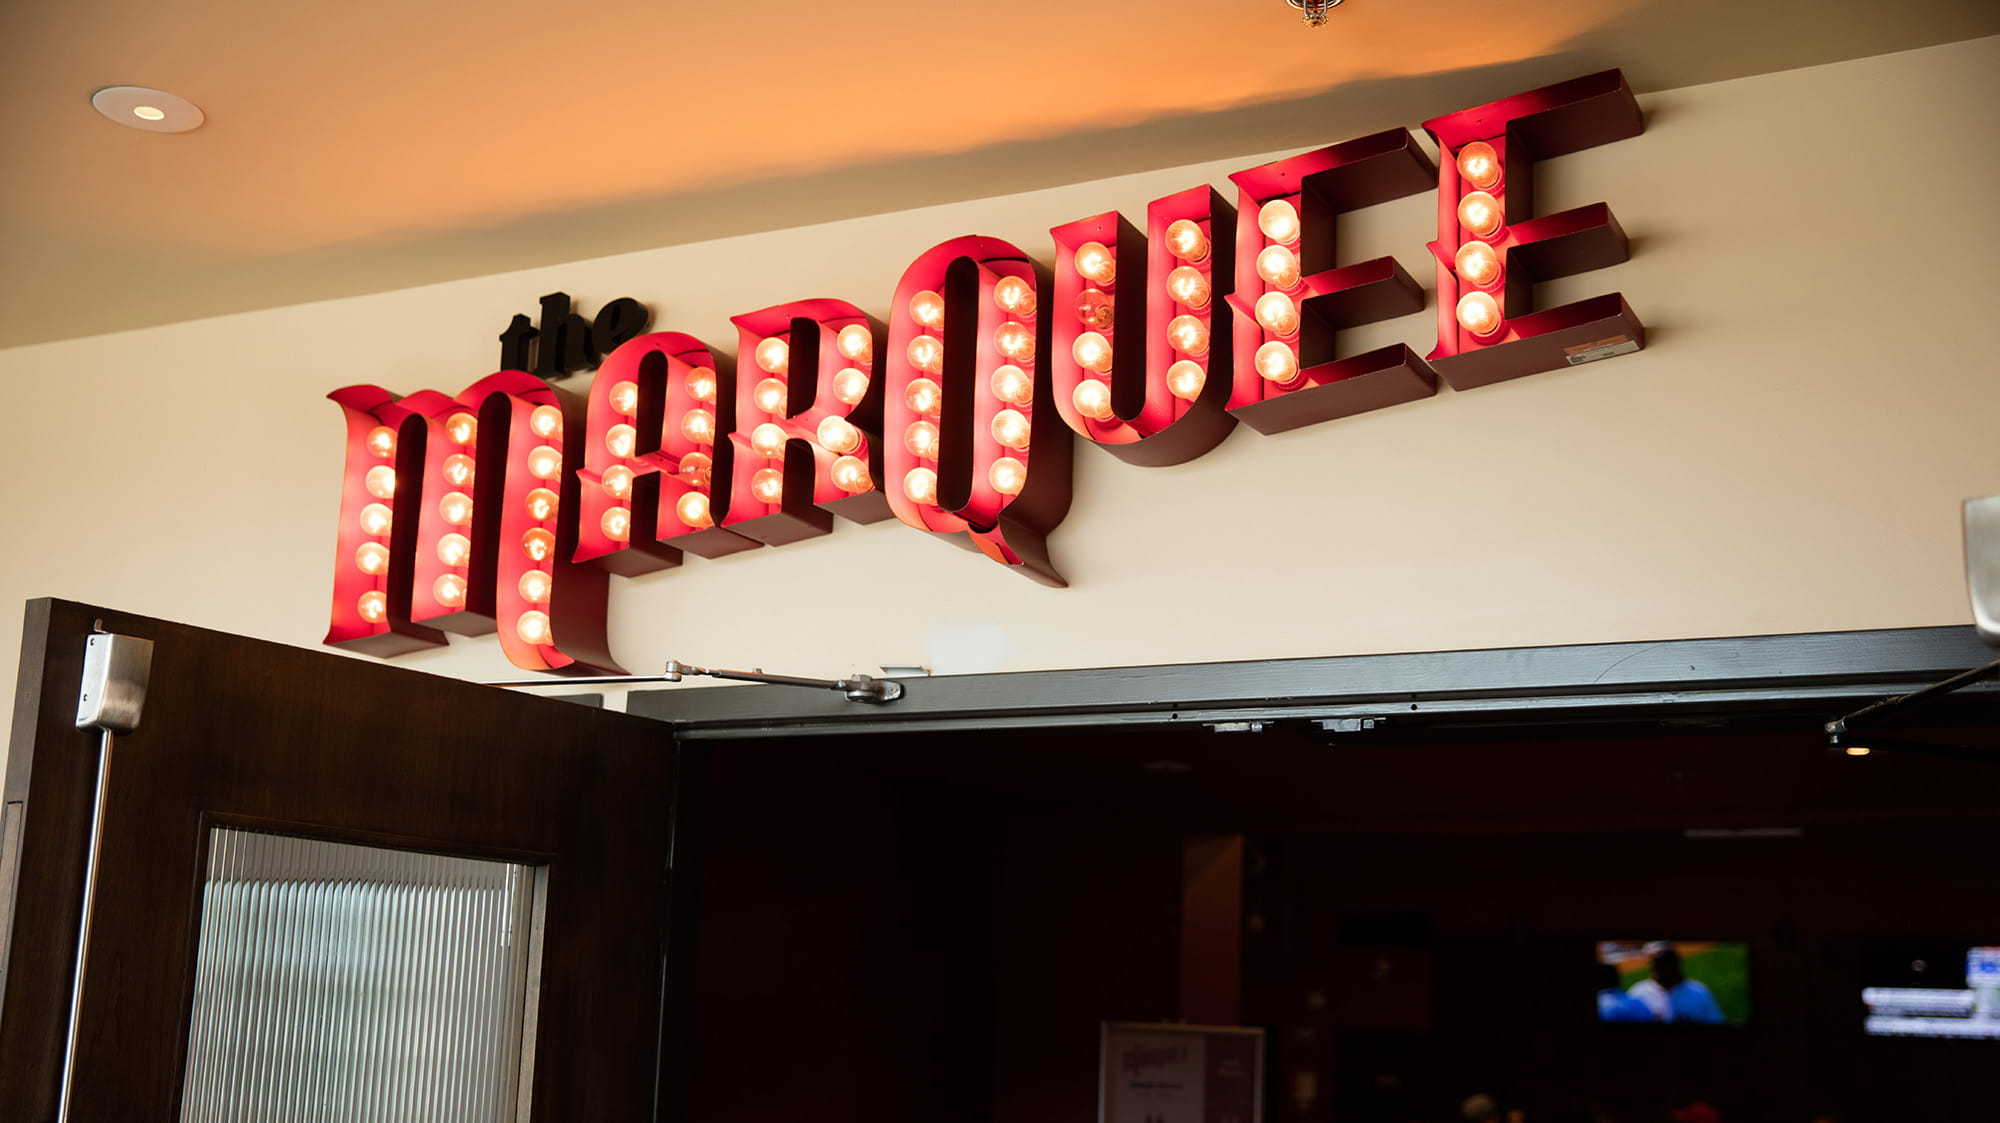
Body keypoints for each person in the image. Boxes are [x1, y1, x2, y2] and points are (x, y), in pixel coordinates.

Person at [1626, 946, 1725, 1024]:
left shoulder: (1699, 992)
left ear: (1677, 964)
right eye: (1659, 965)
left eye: (1668, 963)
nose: (1664, 970)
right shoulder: (1637, 993)